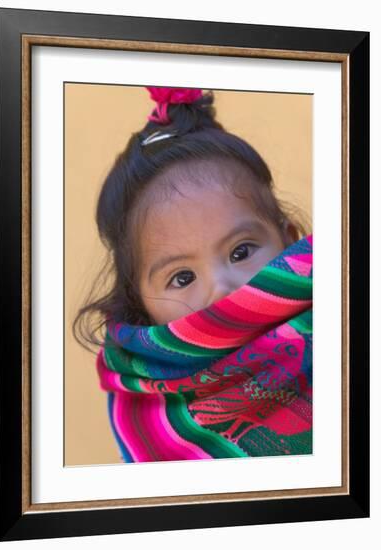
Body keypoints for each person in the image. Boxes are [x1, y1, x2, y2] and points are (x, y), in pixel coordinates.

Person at [72, 87, 313, 463]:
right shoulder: (150, 407)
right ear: (141, 305)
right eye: (182, 278)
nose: (221, 288)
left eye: (241, 251)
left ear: (289, 240)